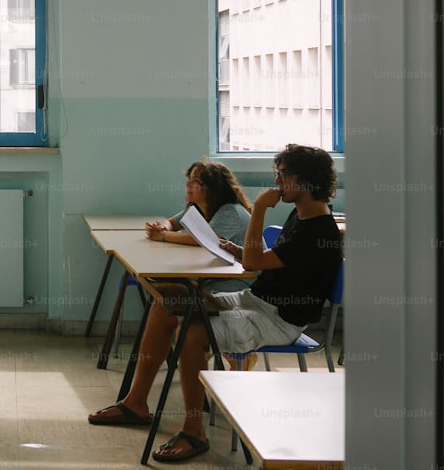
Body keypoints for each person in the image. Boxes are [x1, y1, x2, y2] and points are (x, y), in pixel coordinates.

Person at [87, 144, 342, 464]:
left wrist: (260, 208)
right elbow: (263, 263)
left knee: (191, 332)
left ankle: (194, 431)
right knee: (165, 305)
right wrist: (236, 251)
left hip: (279, 320)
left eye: (283, 175)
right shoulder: (300, 215)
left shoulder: (318, 231)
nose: (277, 182)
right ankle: (136, 403)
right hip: (255, 300)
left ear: (306, 182)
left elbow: (256, 261)